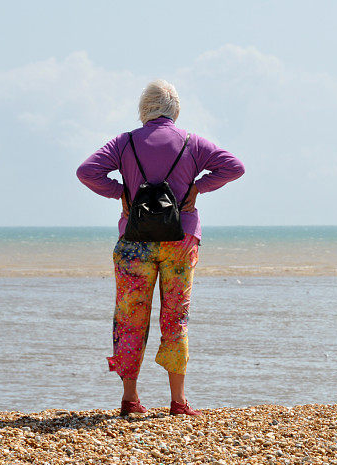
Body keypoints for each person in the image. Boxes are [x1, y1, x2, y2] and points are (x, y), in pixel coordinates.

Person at [77, 80, 245, 416]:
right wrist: (199, 187)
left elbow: (87, 172)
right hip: (180, 242)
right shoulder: (192, 142)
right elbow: (234, 167)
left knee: (129, 318)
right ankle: (178, 401)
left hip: (134, 244)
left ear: (144, 109)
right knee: (176, 318)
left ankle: (130, 400)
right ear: (175, 109)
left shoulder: (124, 143)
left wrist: (120, 193)